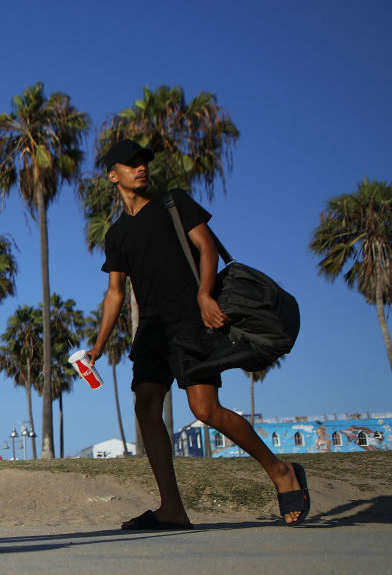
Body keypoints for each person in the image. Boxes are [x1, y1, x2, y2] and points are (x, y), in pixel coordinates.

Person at [86, 139, 310, 528]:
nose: (141, 167)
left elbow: (206, 248)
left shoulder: (173, 203)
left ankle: (281, 471)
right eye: (131, 163)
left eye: (144, 162)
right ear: (112, 175)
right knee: (145, 408)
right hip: (151, 330)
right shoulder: (117, 235)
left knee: (205, 410)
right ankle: (171, 507)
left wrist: (205, 295)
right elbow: (115, 292)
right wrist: (99, 344)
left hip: (191, 321)